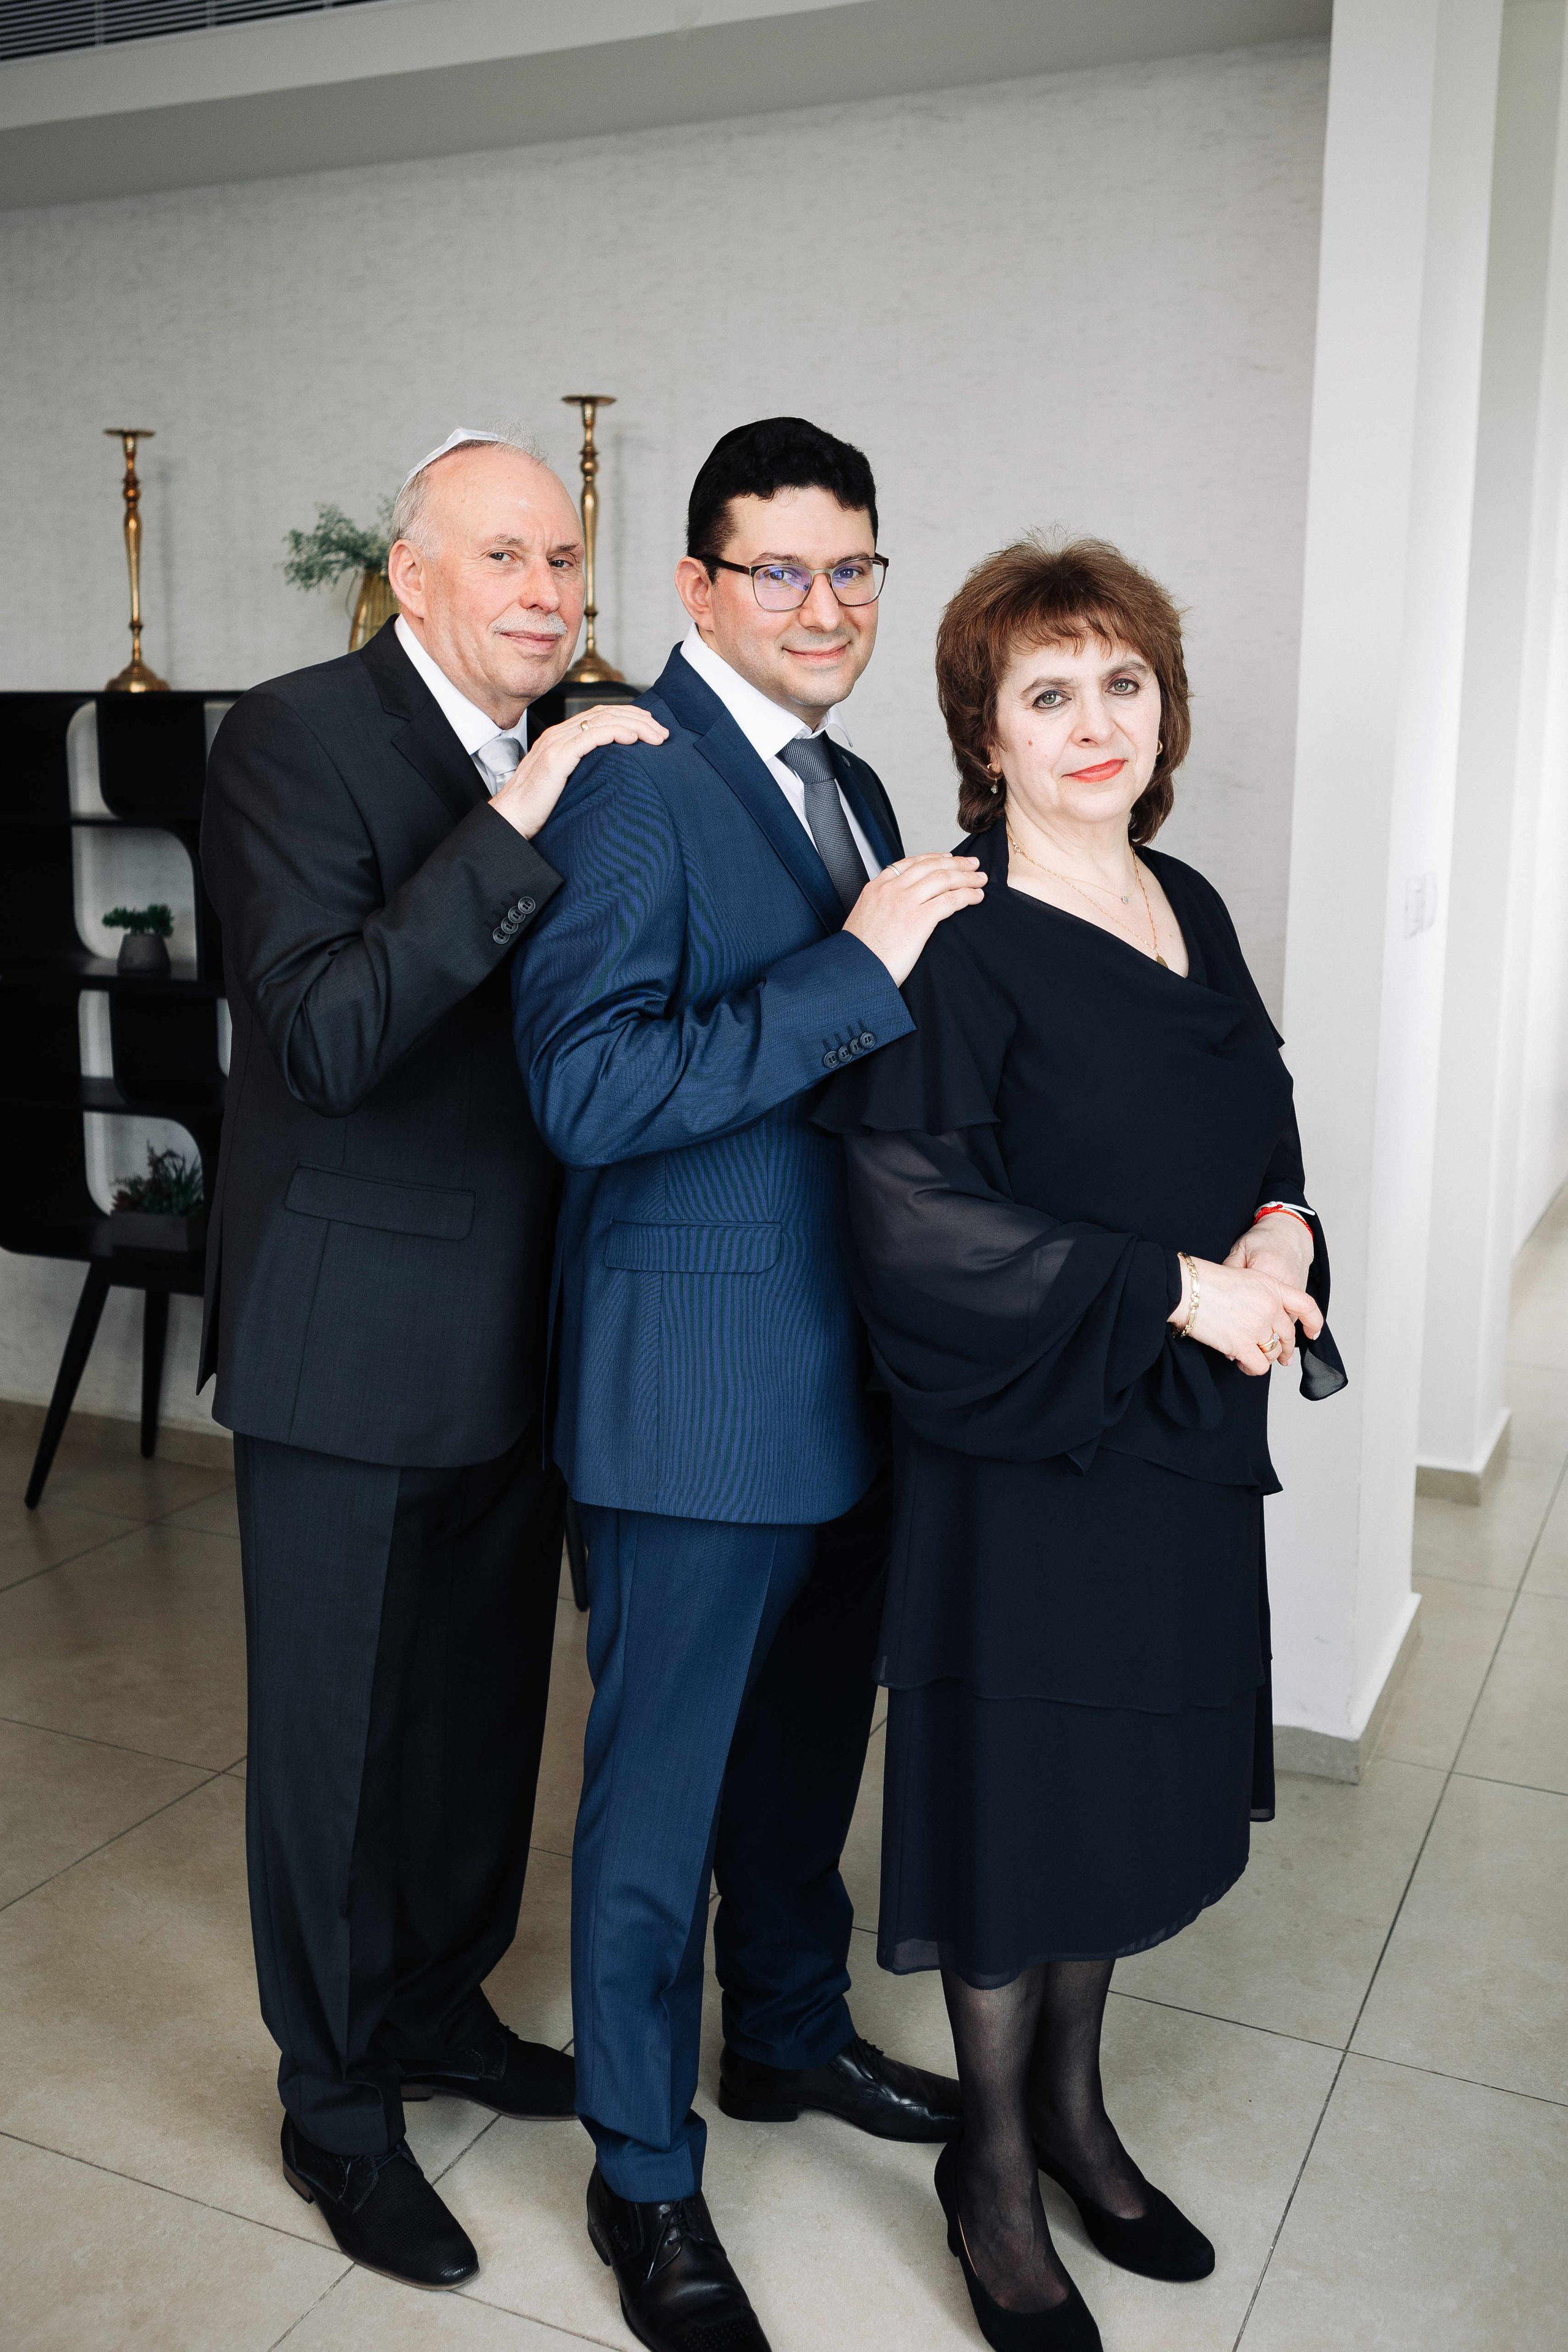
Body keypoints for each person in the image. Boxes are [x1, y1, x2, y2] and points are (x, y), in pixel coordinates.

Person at [814, 538, 1346, 2352]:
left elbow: (1261, 1118)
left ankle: (1074, 2111)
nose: (1095, 721)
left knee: (1120, 1788)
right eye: (1050, 692)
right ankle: (994, 2178)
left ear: (1164, 707)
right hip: (1024, 1441)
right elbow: (908, 1217)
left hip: (1177, 1445)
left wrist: (1280, 1232)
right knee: (1019, 1812)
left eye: (1124, 683)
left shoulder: (1186, 896)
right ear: (986, 730)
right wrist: (1173, 1291)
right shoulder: (956, 936)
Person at [511, 417, 982, 2352]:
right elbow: (589, 1089)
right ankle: (644, 2178)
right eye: (778, 568)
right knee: (655, 1814)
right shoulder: (638, 780)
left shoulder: (860, 781)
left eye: (854, 566)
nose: (826, 604)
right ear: (696, 587)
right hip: (694, 1391)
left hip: (859, 1386)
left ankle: (788, 2042)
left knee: (801, 1776)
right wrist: (856, 968)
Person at [199, 429, 668, 2291]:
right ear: (415, 577)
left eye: (565, 562)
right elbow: (325, 1033)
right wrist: (526, 811)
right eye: (506, 560)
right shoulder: (292, 739)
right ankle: (332, 2106)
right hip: (348, 1338)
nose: (549, 594)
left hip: (534, 1332)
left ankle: (440, 2006)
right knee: (335, 1746)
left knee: (481, 1719)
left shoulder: (595, 739)